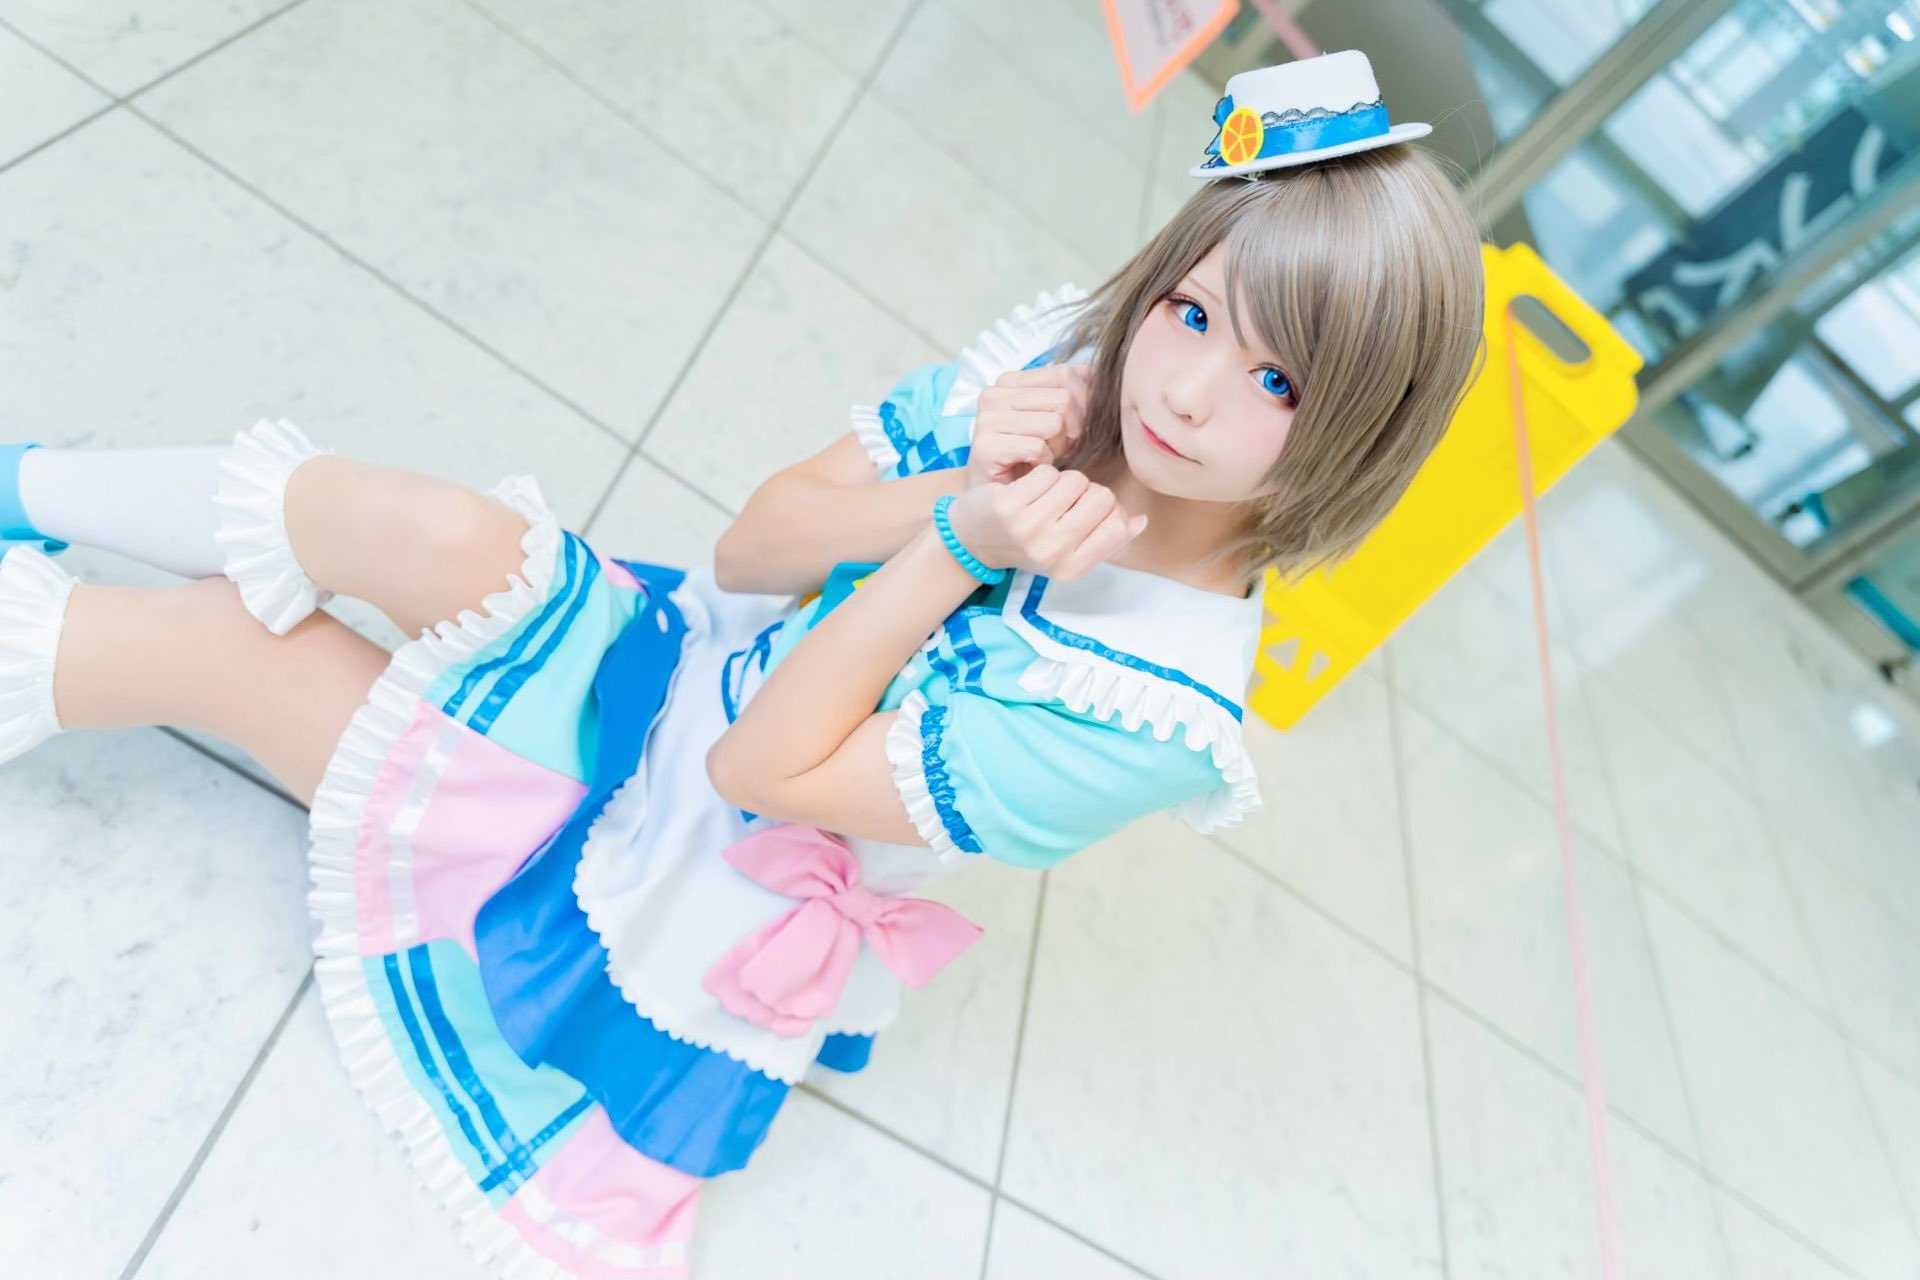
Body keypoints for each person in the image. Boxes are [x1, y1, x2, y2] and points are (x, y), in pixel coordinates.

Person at [0, 50, 1483, 1280]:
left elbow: (759, 768)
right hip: (686, 661)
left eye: (1276, 380)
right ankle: (28, 485)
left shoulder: (1151, 713)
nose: (1187, 389)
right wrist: (961, 483)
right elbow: (753, 549)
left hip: (695, 874)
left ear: (1359, 433)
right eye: (1192, 310)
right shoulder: (1066, 370)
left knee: (240, 655)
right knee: (416, 525)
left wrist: (963, 544)